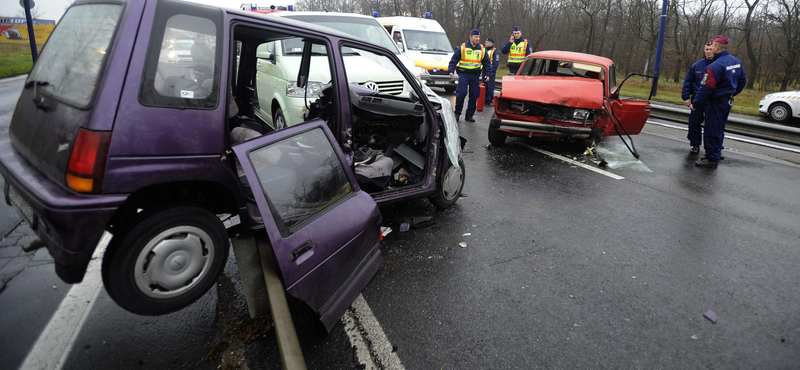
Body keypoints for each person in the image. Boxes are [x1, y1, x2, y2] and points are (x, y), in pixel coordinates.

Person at [691, 35, 747, 168]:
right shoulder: (736, 62)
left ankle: (711, 158)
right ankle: (717, 152)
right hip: (727, 101)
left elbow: (706, 88)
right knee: (720, 128)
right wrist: (731, 93)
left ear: (716, 47)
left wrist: (696, 102)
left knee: (712, 129)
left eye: (713, 47)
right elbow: (742, 81)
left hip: (716, 102)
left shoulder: (715, 66)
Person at [449, 29, 491, 122]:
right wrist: (451, 69)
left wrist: (487, 74)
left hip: (475, 75)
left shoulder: (482, 49)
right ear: (470, 37)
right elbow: (454, 60)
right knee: (461, 94)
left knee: (474, 94)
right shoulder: (463, 48)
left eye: (479, 37)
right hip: (464, 74)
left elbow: (487, 63)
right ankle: (457, 113)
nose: (477, 39)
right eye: (475, 37)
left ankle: (469, 115)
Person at [682, 39, 716, 155]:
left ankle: (713, 149)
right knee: (694, 123)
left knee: (712, 126)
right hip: (697, 98)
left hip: (713, 100)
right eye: (706, 49)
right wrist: (686, 97)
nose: (708, 52)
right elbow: (688, 82)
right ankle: (695, 144)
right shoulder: (697, 66)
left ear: (715, 50)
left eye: (711, 49)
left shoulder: (719, 65)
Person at [484, 37, 500, 106]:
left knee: (490, 86)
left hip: (490, 72)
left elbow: (495, 63)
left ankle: (490, 100)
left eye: (487, 42)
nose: (485, 43)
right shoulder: (484, 50)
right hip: (484, 71)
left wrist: (491, 71)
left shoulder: (495, 52)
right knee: (485, 86)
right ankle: (485, 99)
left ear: (491, 43)